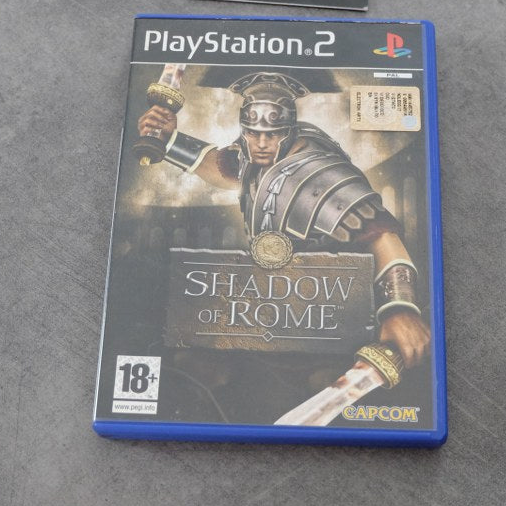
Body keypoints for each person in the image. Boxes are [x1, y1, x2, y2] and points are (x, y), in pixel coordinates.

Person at [137, 71, 429, 370]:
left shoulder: (323, 173)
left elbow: (382, 236)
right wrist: (169, 139)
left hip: (330, 311)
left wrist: (400, 308)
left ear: (289, 131)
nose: (261, 143)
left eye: (272, 135)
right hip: (274, 306)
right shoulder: (256, 155)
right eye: (253, 133)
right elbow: (222, 168)